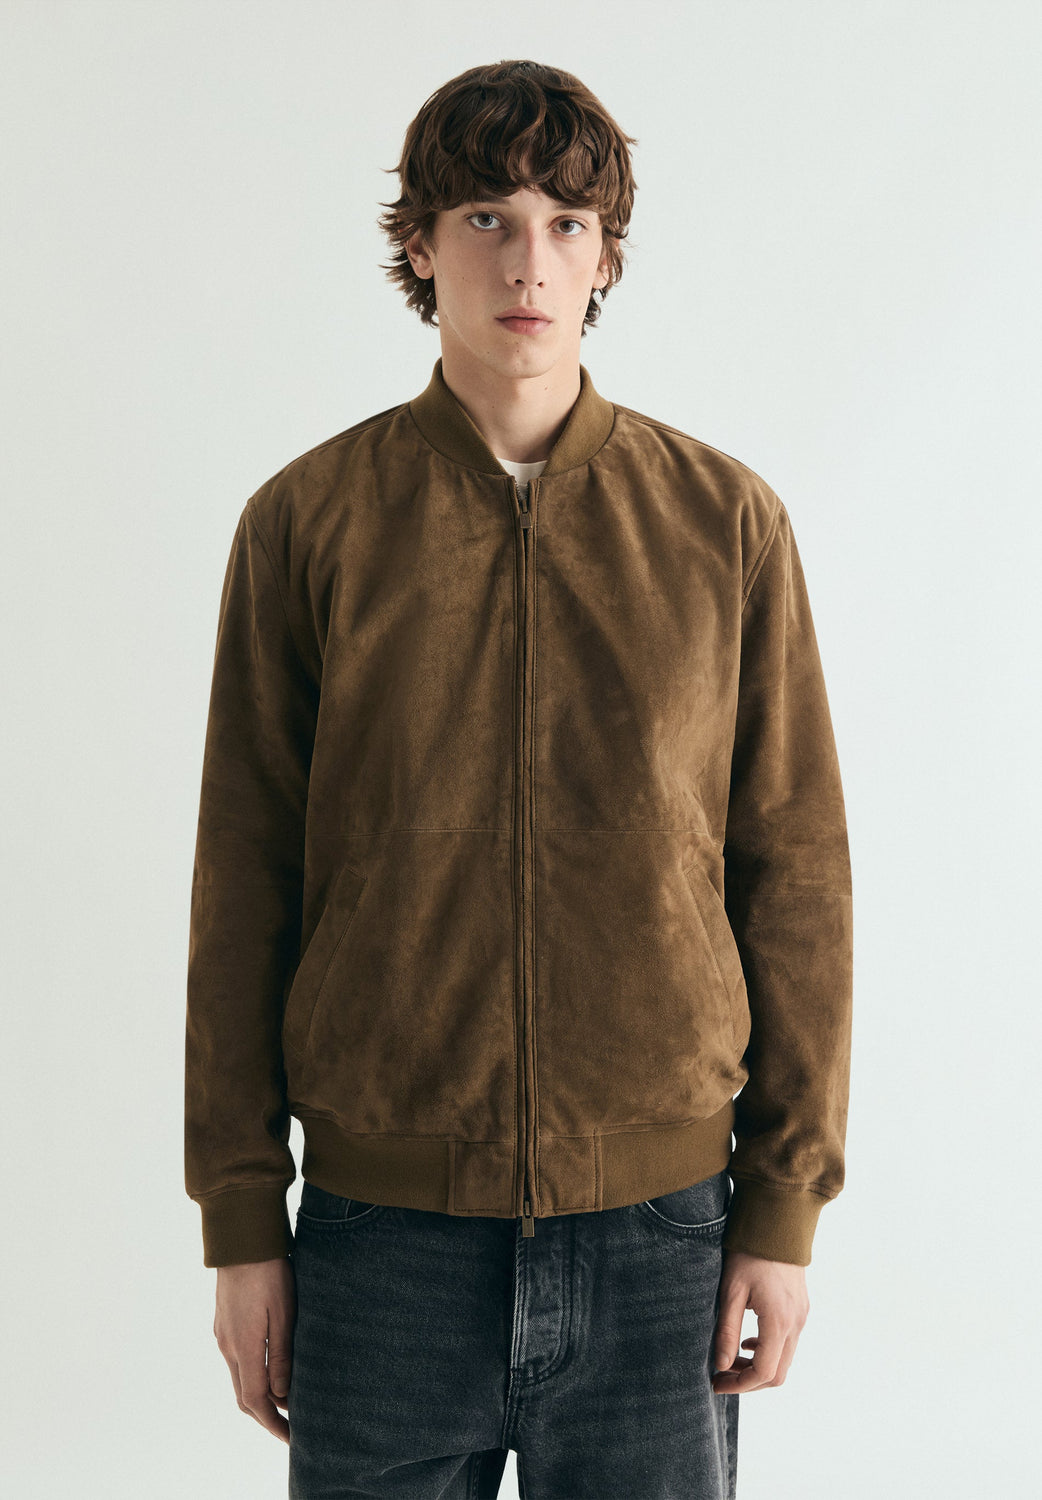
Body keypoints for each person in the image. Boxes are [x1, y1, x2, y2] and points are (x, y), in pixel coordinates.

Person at [185, 58, 853, 1499]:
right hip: (381, 1237)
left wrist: (783, 1206)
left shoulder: (722, 522)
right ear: (420, 246)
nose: (527, 261)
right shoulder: (307, 524)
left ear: (606, 255)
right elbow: (244, 882)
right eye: (485, 217)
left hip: (661, 1233)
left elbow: (792, 872)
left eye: (566, 222)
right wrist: (242, 1219)